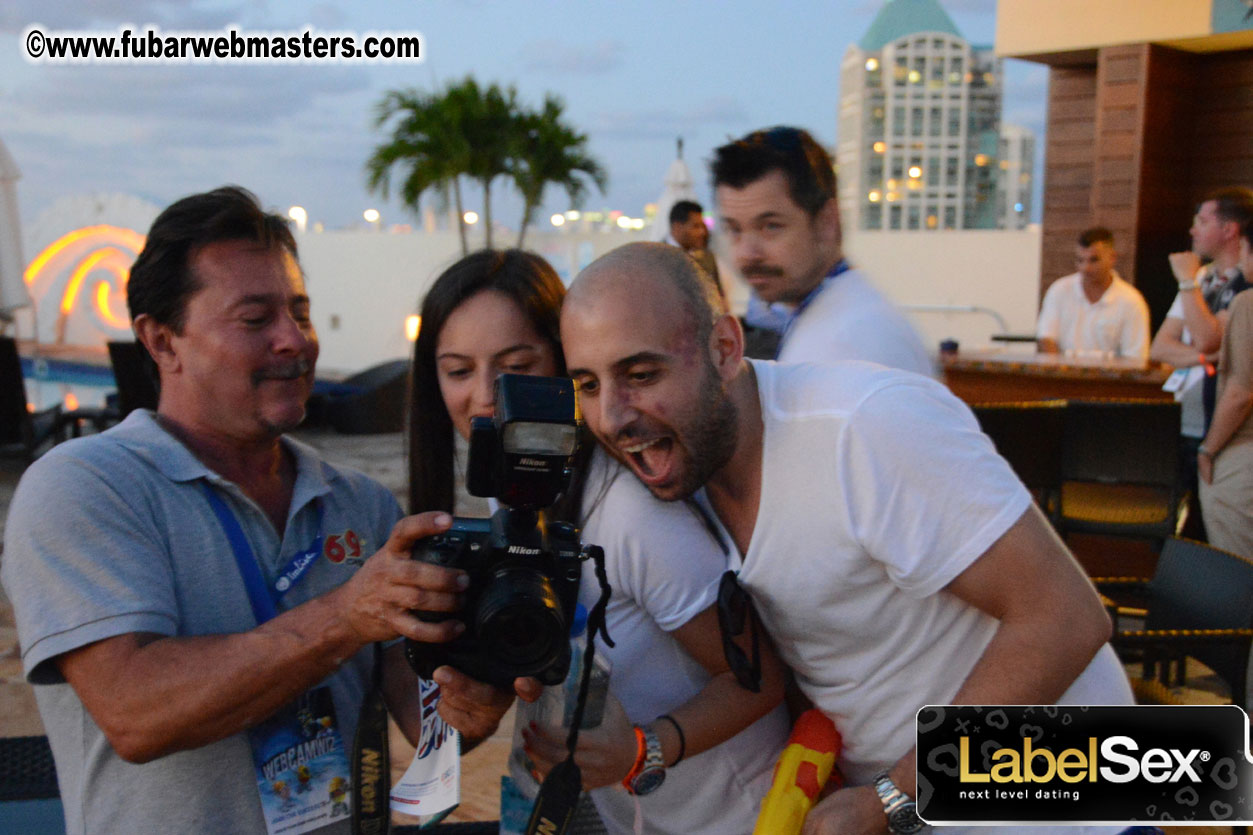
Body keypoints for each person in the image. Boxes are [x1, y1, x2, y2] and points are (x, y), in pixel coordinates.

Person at [559, 242, 1134, 835]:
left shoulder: (864, 428)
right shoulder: (684, 465)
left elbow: (1066, 617)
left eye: (641, 374)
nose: (610, 417)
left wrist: (893, 799)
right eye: (588, 385)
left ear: (725, 349)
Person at [0, 186, 504, 835]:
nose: (293, 340)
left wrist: (476, 697)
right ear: (162, 340)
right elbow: (135, 713)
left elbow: (423, 715)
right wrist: (343, 617)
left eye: (300, 310)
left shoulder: (359, 503)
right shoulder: (82, 488)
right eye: (254, 318)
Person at [407, 249, 789, 834]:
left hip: (739, 817)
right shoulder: (511, 498)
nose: (485, 394)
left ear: (566, 369)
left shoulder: (628, 513)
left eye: (516, 365)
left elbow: (759, 678)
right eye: (458, 370)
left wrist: (642, 750)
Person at [712, 125, 934, 376]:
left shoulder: (859, 343)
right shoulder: (825, 318)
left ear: (827, 223)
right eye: (734, 230)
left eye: (770, 226)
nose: (748, 253)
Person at [1149, 187, 1253, 538]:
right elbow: (1160, 347)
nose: (1192, 230)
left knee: (1224, 534)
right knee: (1181, 531)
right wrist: (1207, 358)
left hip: (1227, 433)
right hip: (1187, 420)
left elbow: (1209, 336)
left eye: (1203, 221)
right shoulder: (1204, 279)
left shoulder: (1243, 287)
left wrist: (1184, 281)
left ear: (1230, 229)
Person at [1196, 215, 1253, 558]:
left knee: (1240, 572)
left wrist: (1208, 449)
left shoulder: (1247, 304)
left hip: (1244, 453)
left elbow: (1241, 392)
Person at [1035, 227, 1149, 360]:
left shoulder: (1131, 301)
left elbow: (1135, 356)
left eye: (1094, 260)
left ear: (1112, 258)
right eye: (1080, 260)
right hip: (1062, 376)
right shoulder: (1060, 290)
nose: (1085, 268)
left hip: (1110, 379)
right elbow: (1047, 338)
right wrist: (1058, 372)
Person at [666, 199, 724, 300]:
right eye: (696, 226)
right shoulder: (655, 257)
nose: (702, 232)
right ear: (677, 227)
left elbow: (718, 294)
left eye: (703, 226)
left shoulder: (708, 257)